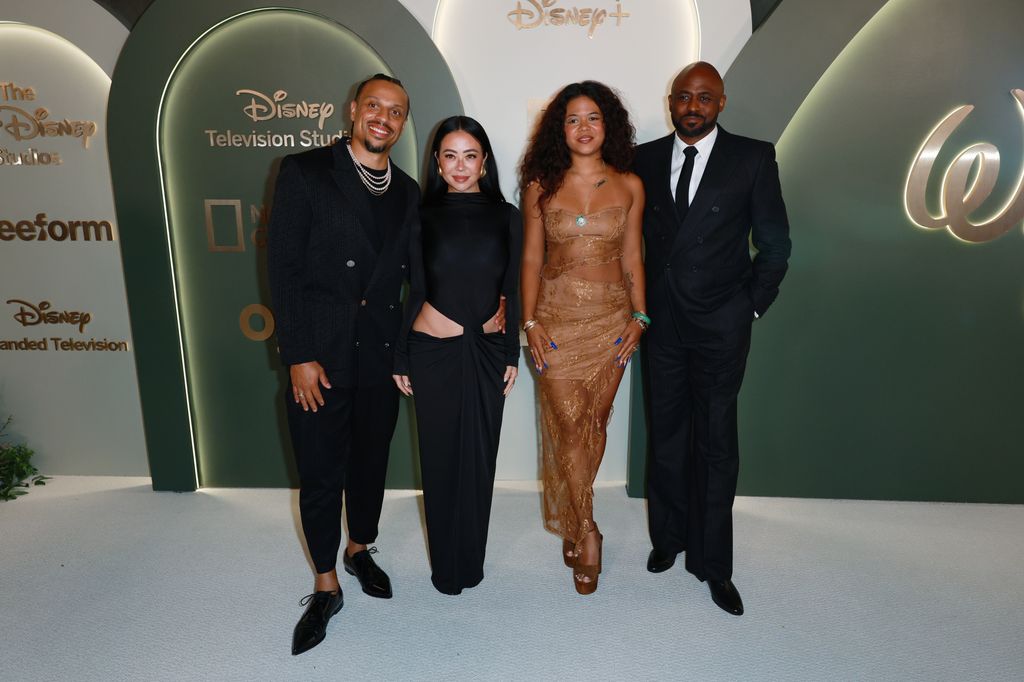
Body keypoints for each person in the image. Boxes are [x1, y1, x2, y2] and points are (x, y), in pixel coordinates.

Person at [634, 61, 791, 616]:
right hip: (662, 326)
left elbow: (775, 246)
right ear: (670, 101)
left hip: (721, 325)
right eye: (683, 97)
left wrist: (748, 308)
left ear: (721, 102)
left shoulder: (752, 157)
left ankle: (714, 563)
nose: (692, 106)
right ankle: (669, 540)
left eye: (704, 97)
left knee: (716, 442)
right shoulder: (645, 158)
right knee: (668, 435)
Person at [268, 74, 418, 655]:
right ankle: (326, 582)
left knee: (370, 462)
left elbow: (414, 281)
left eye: (396, 112)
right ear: (354, 111)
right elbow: (283, 271)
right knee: (322, 470)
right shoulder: (305, 172)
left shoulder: (406, 191)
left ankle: (360, 549)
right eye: (375, 106)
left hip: (378, 356)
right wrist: (298, 355)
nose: (384, 118)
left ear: (403, 123)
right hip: (321, 358)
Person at [519, 81, 646, 595]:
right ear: (560, 129)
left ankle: (574, 518)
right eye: (573, 119)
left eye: (593, 117)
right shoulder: (540, 187)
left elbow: (634, 257)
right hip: (555, 323)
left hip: (612, 324)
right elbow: (531, 259)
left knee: (592, 424)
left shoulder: (631, 185)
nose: (584, 127)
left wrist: (641, 317)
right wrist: (530, 323)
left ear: (607, 124)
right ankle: (588, 529)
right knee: (569, 426)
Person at [392, 116, 521, 595]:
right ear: (437, 163)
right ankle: (445, 569)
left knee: (479, 463)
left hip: (488, 352)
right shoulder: (420, 217)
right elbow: (416, 290)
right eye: (450, 155)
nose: (460, 166)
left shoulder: (508, 217)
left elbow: (512, 289)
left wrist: (511, 354)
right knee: (441, 461)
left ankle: (470, 563)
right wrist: (401, 355)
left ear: (484, 161)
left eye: (470, 155)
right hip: (432, 353)